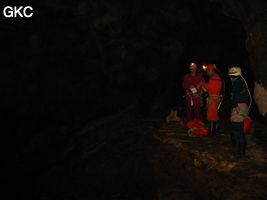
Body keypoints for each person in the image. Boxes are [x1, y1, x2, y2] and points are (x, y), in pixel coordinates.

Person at [228, 67, 249, 158]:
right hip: (243, 108)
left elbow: (235, 99)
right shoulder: (242, 83)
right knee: (240, 131)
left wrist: (234, 111)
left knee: (237, 132)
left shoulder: (237, 84)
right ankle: (241, 153)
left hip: (238, 109)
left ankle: (238, 154)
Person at [202, 64, 222, 136]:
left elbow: (210, 87)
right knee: (214, 115)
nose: (207, 72)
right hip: (214, 98)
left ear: (211, 70)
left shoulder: (215, 78)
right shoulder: (216, 78)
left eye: (207, 71)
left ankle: (211, 132)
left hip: (213, 99)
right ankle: (215, 131)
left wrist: (203, 84)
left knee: (211, 115)